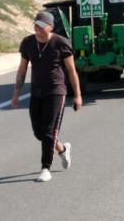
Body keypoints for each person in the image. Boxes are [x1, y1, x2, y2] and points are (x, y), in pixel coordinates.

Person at [12, 11, 82, 182]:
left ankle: (45, 168)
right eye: (36, 25)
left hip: (56, 92)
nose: (38, 29)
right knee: (39, 132)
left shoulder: (61, 43)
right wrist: (16, 93)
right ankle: (62, 150)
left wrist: (78, 95)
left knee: (49, 131)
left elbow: (72, 71)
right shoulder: (28, 43)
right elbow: (22, 70)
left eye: (42, 26)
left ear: (51, 27)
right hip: (37, 92)